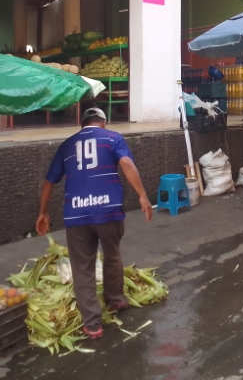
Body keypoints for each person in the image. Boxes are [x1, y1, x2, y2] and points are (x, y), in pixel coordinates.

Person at [36, 107, 153, 340]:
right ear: (104, 122)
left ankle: (92, 324)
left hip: (76, 214)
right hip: (108, 210)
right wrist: (142, 195)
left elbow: (50, 181)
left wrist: (43, 213)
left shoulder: (67, 145)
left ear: (82, 124)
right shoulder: (113, 138)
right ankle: (116, 300)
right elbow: (127, 164)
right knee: (112, 255)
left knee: (82, 267)